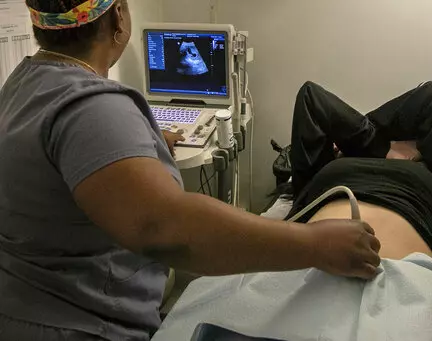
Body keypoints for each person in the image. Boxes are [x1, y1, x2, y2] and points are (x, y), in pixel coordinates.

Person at [0, 1, 382, 340]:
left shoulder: (25, 84)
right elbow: (165, 229)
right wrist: (315, 244)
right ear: (118, 15)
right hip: (79, 324)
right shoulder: (91, 109)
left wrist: (139, 141)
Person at [152, 81, 432, 341]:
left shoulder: (431, 178)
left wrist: (374, 146)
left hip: (395, 277)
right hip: (299, 264)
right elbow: (311, 98)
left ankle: (371, 136)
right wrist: (370, 147)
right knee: (310, 91)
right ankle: (372, 137)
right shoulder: (333, 169)